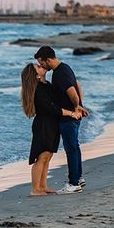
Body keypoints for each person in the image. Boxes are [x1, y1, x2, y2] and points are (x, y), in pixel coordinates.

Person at [21, 63, 82, 196]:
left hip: (52, 123)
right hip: (43, 124)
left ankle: (43, 186)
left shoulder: (47, 85)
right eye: (38, 67)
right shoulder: (38, 88)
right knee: (41, 156)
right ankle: (35, 189)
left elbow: (58, 102)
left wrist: (77, 105)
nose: (41, 66)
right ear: (36, 75)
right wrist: (71, 114)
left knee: (48, 156)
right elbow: (51, 108)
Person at [34, 46, 88, 194]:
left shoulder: (59, 74)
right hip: (73, 115)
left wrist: (77, 106)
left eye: (42, 62)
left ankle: (73, 183)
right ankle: (79, 177)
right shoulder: (65, 68)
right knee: (74, 147)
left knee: (71, 148)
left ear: (48, 59)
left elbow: (72, 90)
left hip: (69, 117)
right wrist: (80, 105)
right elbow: (78, 85)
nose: (42, 65)